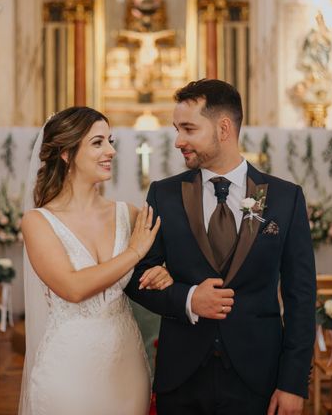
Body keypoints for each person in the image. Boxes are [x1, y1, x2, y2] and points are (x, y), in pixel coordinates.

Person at [125, 79, 317, 415]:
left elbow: (301, 297)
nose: (178, 141)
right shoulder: (163, 195)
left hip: (258, 377)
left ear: (224, 128)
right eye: (176, 129)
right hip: (182, 378)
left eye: (188, 129)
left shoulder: (284, 199)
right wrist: (189, 299)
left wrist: (292, 382)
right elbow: (136, 277)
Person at [19, 107, 172, 415]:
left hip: (127, 366)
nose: (111, 151)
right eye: (98, 142)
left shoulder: (128, 214)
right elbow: (72, 288)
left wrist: (162, 272)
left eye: (110, 141)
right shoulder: (38, 222)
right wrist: (133, 253)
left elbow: (151, 272)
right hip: (68, 368)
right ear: (66, 152)